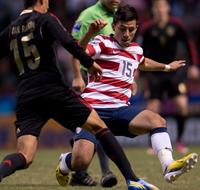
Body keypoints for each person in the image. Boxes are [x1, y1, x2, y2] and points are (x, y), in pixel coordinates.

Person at [0, 1, 158, 190]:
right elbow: (69, 42)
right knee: (99, 126)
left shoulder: (11, 29)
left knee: (24, 156)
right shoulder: (45, 19)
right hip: (52, 89)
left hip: (26, 95)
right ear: (41, 1)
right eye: (47, 2)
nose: (49, 5)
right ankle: (133, 180)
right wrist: (88, 63)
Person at [56, 4, 198, 188]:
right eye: (122, 29)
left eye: (131, 29)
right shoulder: (101, 42)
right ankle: (65, 162)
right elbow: (78, 54)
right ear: (114, 26)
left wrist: (167, 67)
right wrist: (90, 32)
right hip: (92, 112)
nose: (126, 34)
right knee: (81, 162)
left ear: (136, 28)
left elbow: (142, 62)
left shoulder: (136, 50)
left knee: (157, 121)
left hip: (120, 111)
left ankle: (168, 166)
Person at [69, 0, 121, 187]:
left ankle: (79, 168)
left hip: (108, 78)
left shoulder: (118, 14)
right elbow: (74, 47)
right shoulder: (87, 15)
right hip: (88, 75)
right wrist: (77, 76)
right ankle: (106, 172)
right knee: (98, 124)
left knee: (96, 125)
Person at [138, 0, 199, 154]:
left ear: (167, 8)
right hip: (155, 73)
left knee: (182, 105)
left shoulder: (177, 25)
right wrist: (140, 71)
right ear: (153, 9)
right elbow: (140, 50)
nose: (159, 10)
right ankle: (152, 144)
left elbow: (189, 44)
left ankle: (179, 140)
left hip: (175, 73)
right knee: (152, 108)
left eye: (162, 6)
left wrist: (193, 66)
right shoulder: (147, 28)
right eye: (156, 7)